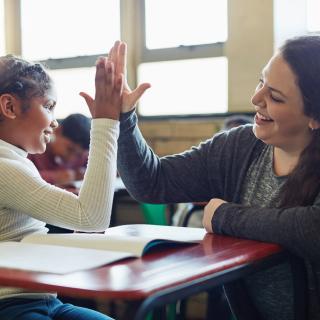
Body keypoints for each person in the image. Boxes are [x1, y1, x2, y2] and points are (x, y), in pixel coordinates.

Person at [114, 35, 320, 320]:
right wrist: (124, 119)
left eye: (275, 97)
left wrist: (224, 216)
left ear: (314, 117)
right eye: (261, 82)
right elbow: (152, 182)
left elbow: (312, 229)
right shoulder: (237, 147)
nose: (255, 99)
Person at [0, 52, 123, 320]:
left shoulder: (15, 161)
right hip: (11, 307)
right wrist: (106, 122)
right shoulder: (3, 168)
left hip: (45, 299)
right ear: (9, 107)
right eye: (48, 106)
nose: (55, 121)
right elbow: (90, 217)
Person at [28, 113, 90, 186]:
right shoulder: (34, 149)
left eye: (78, 155)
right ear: (57, 131)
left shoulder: (84, 155)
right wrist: (56, 177)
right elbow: (23, 176)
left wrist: (86, 173)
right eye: (70, 149)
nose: (71, 158)